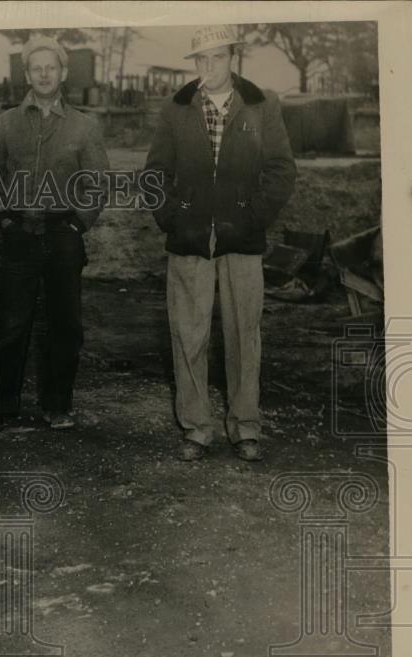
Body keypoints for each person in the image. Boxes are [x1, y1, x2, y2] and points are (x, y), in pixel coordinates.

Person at [144, 25, 296, 462]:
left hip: (241, 239)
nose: (209, 68)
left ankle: (245, 425)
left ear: (233, 58)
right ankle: (196, 428)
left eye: (217, 58)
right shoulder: (176, 109)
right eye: (201, 60)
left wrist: (253, 216)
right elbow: (154, 175)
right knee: (188, 334)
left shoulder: (261, 105)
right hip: (189, 238)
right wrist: (172, 216)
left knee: (244, 334)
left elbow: (283, 170)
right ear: (194, 63)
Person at [0, 36, 109, 436]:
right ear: (26, 74)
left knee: (65, 324)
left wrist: (76, 222)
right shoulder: (6, 123)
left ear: (64, 73)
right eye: (37, 68)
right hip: (20, 232)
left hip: (63, 233)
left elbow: (97, 185)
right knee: (11, 323)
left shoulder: (85, 126)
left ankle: (57, 404)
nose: (44, 74)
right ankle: (0, 406)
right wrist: (2, 219)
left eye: (52, 67)